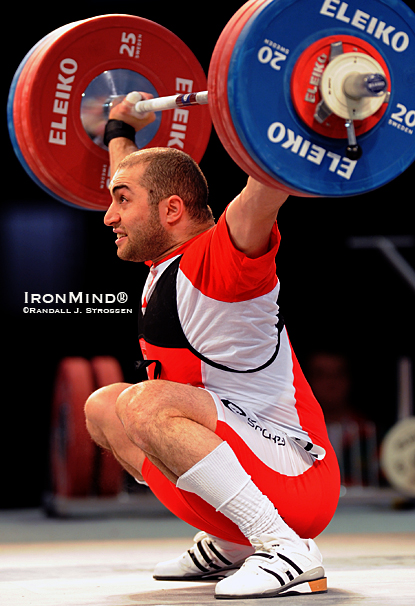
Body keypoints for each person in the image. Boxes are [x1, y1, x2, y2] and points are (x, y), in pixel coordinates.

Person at [84, 91, 340, 600]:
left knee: (142, 402)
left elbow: (264, 188)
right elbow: (140, 179)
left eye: (121, 201)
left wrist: (303, 110)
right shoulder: (164, 260)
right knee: (105, 408)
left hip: (295, 476)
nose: (109, 216)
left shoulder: (224, 260)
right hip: (249, 456)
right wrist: (118, 130)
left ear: (172, 210)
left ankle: (283, 546)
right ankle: (234, 541)